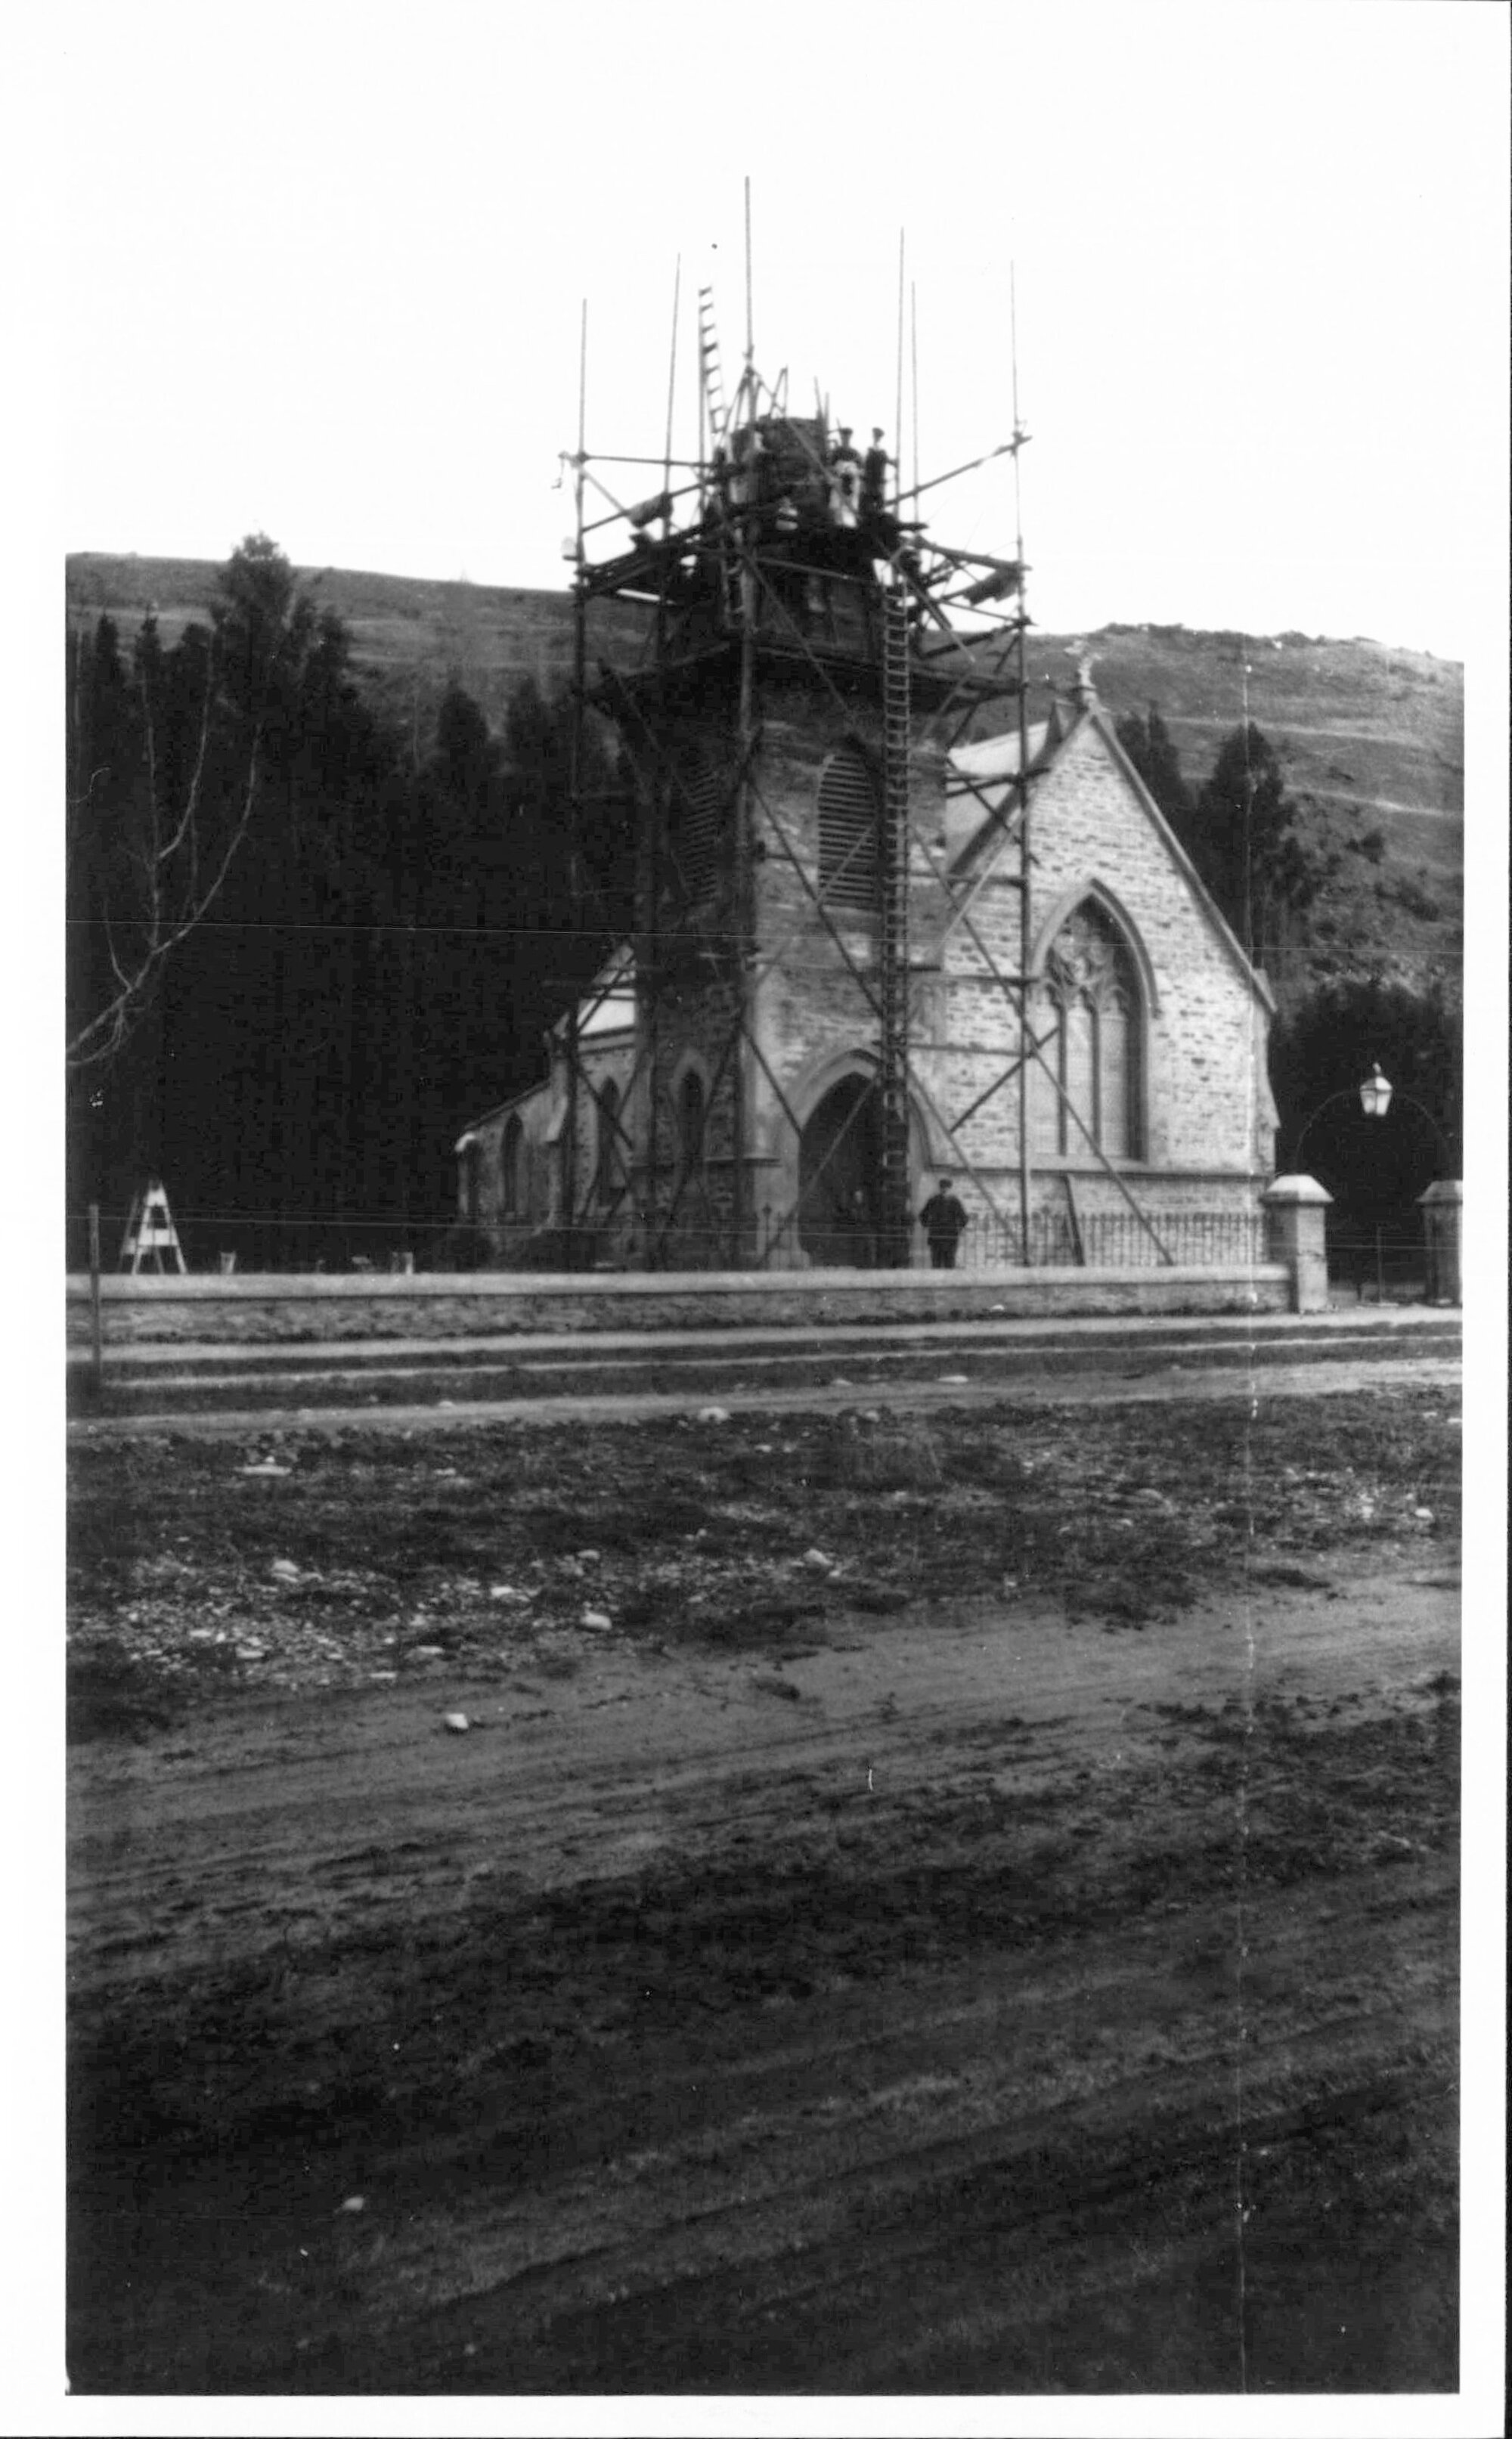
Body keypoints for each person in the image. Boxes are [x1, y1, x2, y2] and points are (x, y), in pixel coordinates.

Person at [918, 1175, 969, 1269]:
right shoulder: (933, 1200)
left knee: (948, 1262)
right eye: (943, 1187)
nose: (944, 1190)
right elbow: (923, 1215)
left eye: (946, 1187)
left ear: (949, 1188)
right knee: (937, 1262)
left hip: (949, 1237)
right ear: (940, 1188)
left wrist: (959, 1229)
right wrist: (927, 1225)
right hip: (938, 1236)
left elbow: (964, 1218)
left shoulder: (954, 1202)